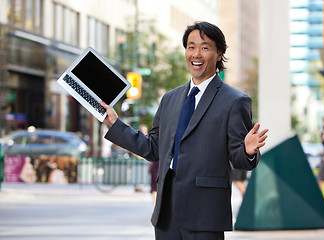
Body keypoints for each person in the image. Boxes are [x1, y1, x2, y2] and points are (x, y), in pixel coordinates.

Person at [101, 21, 268, 240]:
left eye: (204, 47)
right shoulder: (170, 99)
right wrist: (115, 124)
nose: (196, 54)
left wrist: (247, 151)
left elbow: (239, 160)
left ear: (219, 54)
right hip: (166, 212)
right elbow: (153, 149)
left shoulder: (235, 101)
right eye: (191, 46)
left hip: (205, 214)